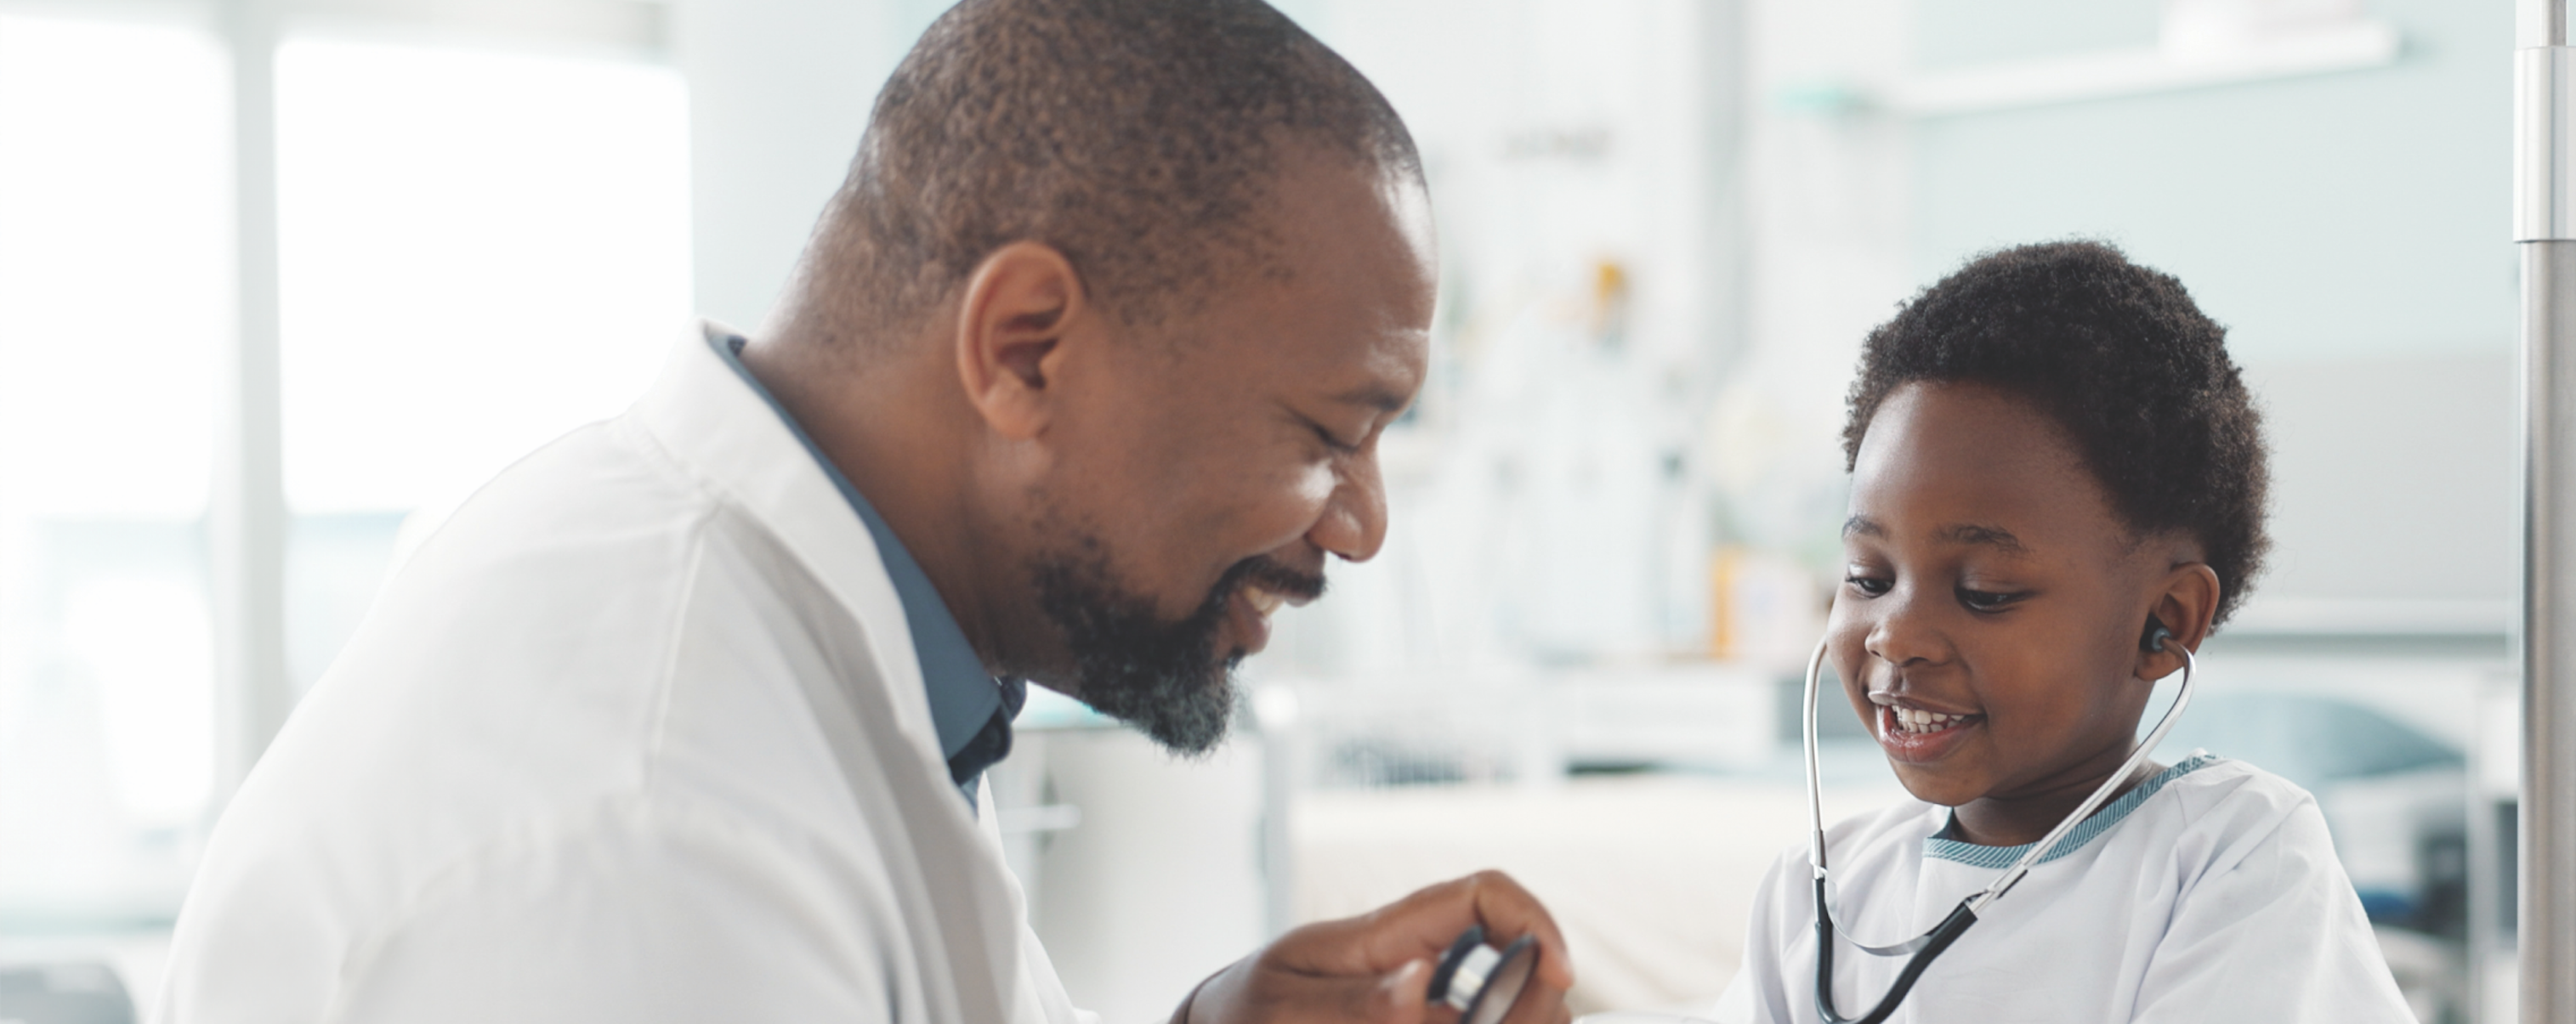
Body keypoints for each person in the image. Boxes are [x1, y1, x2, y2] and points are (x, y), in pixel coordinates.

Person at [158, 2, 1569, 1021]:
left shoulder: (828, 651)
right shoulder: (652, 832)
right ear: (1025, 349)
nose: (1363, 526)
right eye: (1330, 434)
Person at [1712, 241, 2414, 1022]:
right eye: (1869, 577)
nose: (1897, 634)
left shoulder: (2235, 855)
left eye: (1985, 591)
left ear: (2164, 620)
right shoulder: (1820, 891)